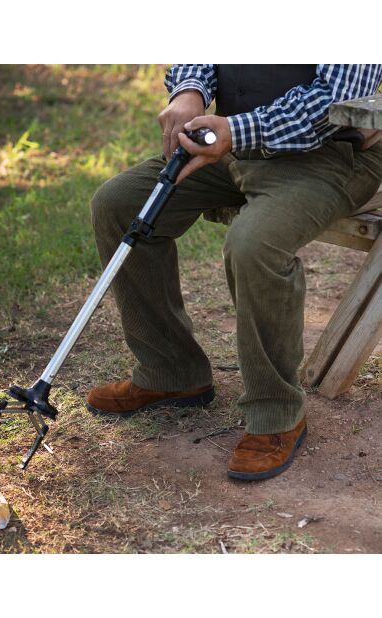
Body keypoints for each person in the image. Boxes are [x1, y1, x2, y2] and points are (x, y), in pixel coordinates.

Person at [86, 65, 382, 481]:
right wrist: (188, 91)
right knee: (119, 204)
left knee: (254, 244)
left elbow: (332, 100)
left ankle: (276, 414)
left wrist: (235, 130)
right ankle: (171, 372)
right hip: (233, 148)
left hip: (326, 157)